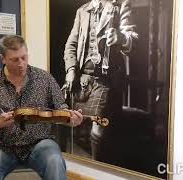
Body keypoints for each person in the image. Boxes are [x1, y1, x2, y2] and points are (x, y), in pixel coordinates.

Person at [0, 35, 83, 180]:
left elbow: (61, 109)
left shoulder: (45, 79)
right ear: (2, 58)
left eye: (24, 57)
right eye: (15, 59)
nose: (21, 64)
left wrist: (72, 120)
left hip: (39, 143)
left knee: (55, 162)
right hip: (1, 146)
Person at [63, 0, 138, 161]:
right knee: (73, 126)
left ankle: (98, 168)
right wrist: (70, 70)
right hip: (82, 79)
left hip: (105, 80)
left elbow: (134, 40)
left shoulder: (121, 6)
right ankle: (79, 167)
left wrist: (121, 38)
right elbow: (71, 44)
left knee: (98, 130)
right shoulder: (82, 11)